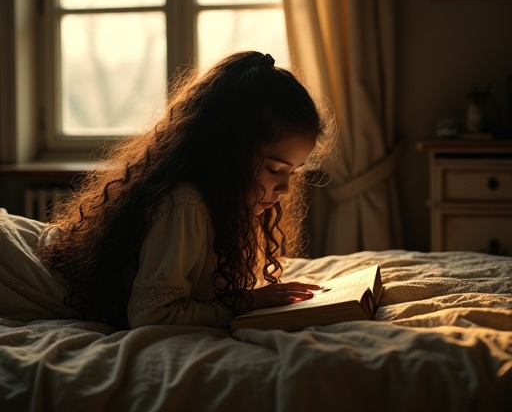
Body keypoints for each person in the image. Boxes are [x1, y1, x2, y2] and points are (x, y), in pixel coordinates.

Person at [16, 51, 333, 329]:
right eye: (275, 169)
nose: (285, 188)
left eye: (293, 171)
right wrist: (245, 304)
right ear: (229, 152)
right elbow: (150, 314)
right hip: (19, 271)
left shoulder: (228, 204)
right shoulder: (186, 205)